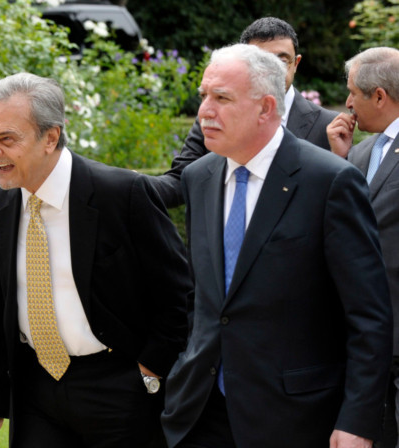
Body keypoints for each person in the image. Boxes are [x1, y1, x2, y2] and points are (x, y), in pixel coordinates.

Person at [160, 43, 392, 448]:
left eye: (222, 98)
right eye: (203, 97)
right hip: (200, 412)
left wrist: (358, 419)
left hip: (294, 418)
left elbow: (368, 315)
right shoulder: (199, 176)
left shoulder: (329, 181)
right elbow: (203, 297)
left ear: (266, 108)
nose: (204, 112)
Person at [0, 72, 192, 448]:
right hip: (37, 389)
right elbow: (1, 305)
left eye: (7, 139)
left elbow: (180, 295)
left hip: (117, 387)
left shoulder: (123, 194)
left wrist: (147, 371)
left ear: (50, 138)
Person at [153, 17, 338, 208]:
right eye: (261, 62)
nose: (271, 71)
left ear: (296, 63)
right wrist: (130, 186)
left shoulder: (327, 126)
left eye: (281, 61)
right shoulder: (212, 118)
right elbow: (180, 180)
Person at [327, 47, 399, 448]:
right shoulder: (361, 150)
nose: (347, 103)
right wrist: (340, 161)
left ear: (379, 97)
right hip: (365, 342)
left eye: (353, 92)